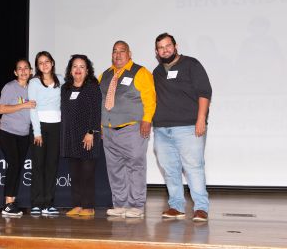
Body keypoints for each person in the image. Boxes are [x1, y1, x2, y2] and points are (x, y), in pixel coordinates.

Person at [152, 33, 212, 222]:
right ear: (156, 51)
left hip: (188, 127)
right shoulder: (157, 72)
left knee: (194, 167)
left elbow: (205, 92)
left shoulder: (191, 64)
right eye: (161, 47)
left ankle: (201, 208)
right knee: (170, 169)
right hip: (162, 130)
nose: (165, 50)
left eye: (168, 45)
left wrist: (201, 119)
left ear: (175, 46)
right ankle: (176, 206)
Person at [99, 41, 156, 218]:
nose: (117, 55)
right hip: (108, 130)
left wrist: (147, 120)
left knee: (135, 167)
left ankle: (136, 205)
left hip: (132, 129)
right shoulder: (105, 75)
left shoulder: (141, 72)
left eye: (121, 51)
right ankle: (120, 204)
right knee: (114, 169)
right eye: (114, 51)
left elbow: (150, 98)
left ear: (129, 53)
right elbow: (100, 101)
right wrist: (101, 126)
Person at [60, 54, 101, 217]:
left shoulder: (92, 87)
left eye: (82, 67)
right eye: (75, 66)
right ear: (70, 70)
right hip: (70, 136)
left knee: (87, 173)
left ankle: (88, 206)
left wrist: (91, 132)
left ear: (87, 70)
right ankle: (77, 205)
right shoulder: (65, 88)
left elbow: (96, 112)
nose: (78, 70)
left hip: (87, 136)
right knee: (75, 174)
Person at [0, 59, 36, 216]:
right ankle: (7, 204)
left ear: (30, 71)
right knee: (14, 164)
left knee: (18, 167)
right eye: (19, 69)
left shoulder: (33, 88)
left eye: (26, 68)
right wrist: (23, 105)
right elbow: (1, 109)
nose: (23, 71)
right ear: (15, 72)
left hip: (24, 135)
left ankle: (12, 201)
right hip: (8, 133)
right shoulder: (9, 87)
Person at [28, 51, 64, 216]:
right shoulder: (34, 82)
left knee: (51, 166)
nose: (44, 65)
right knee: (38, 165)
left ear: (52, 62)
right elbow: (32, 107)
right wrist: (37, 132)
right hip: (39, 128)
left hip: (56, 127)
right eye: (40, 62)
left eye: (47, 61)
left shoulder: (61, 79)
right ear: (37, 66)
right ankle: (37, 202)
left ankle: (49, 203)